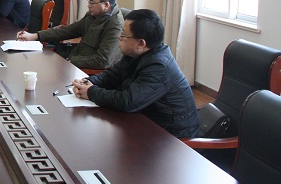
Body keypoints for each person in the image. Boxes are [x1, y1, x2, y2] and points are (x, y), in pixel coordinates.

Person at [71, 9, 199, 138]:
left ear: (140, 43)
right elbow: (112, 75)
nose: (119, 37)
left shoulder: (159, 66)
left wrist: (90, 92)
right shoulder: (136, 53)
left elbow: (128, 101)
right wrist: (88, 82)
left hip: (172, 136)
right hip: (146, 120)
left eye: (123, 35)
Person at [17, 0, 123, 70]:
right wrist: (34, 36)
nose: (88, 6)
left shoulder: (115, 25)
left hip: (88, 70)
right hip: (76, 58)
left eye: (92, 2)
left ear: (106, 5)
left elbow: (102, 60)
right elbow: (69, 30)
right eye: (89, 1)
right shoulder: (93, 15)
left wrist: (70, 61)